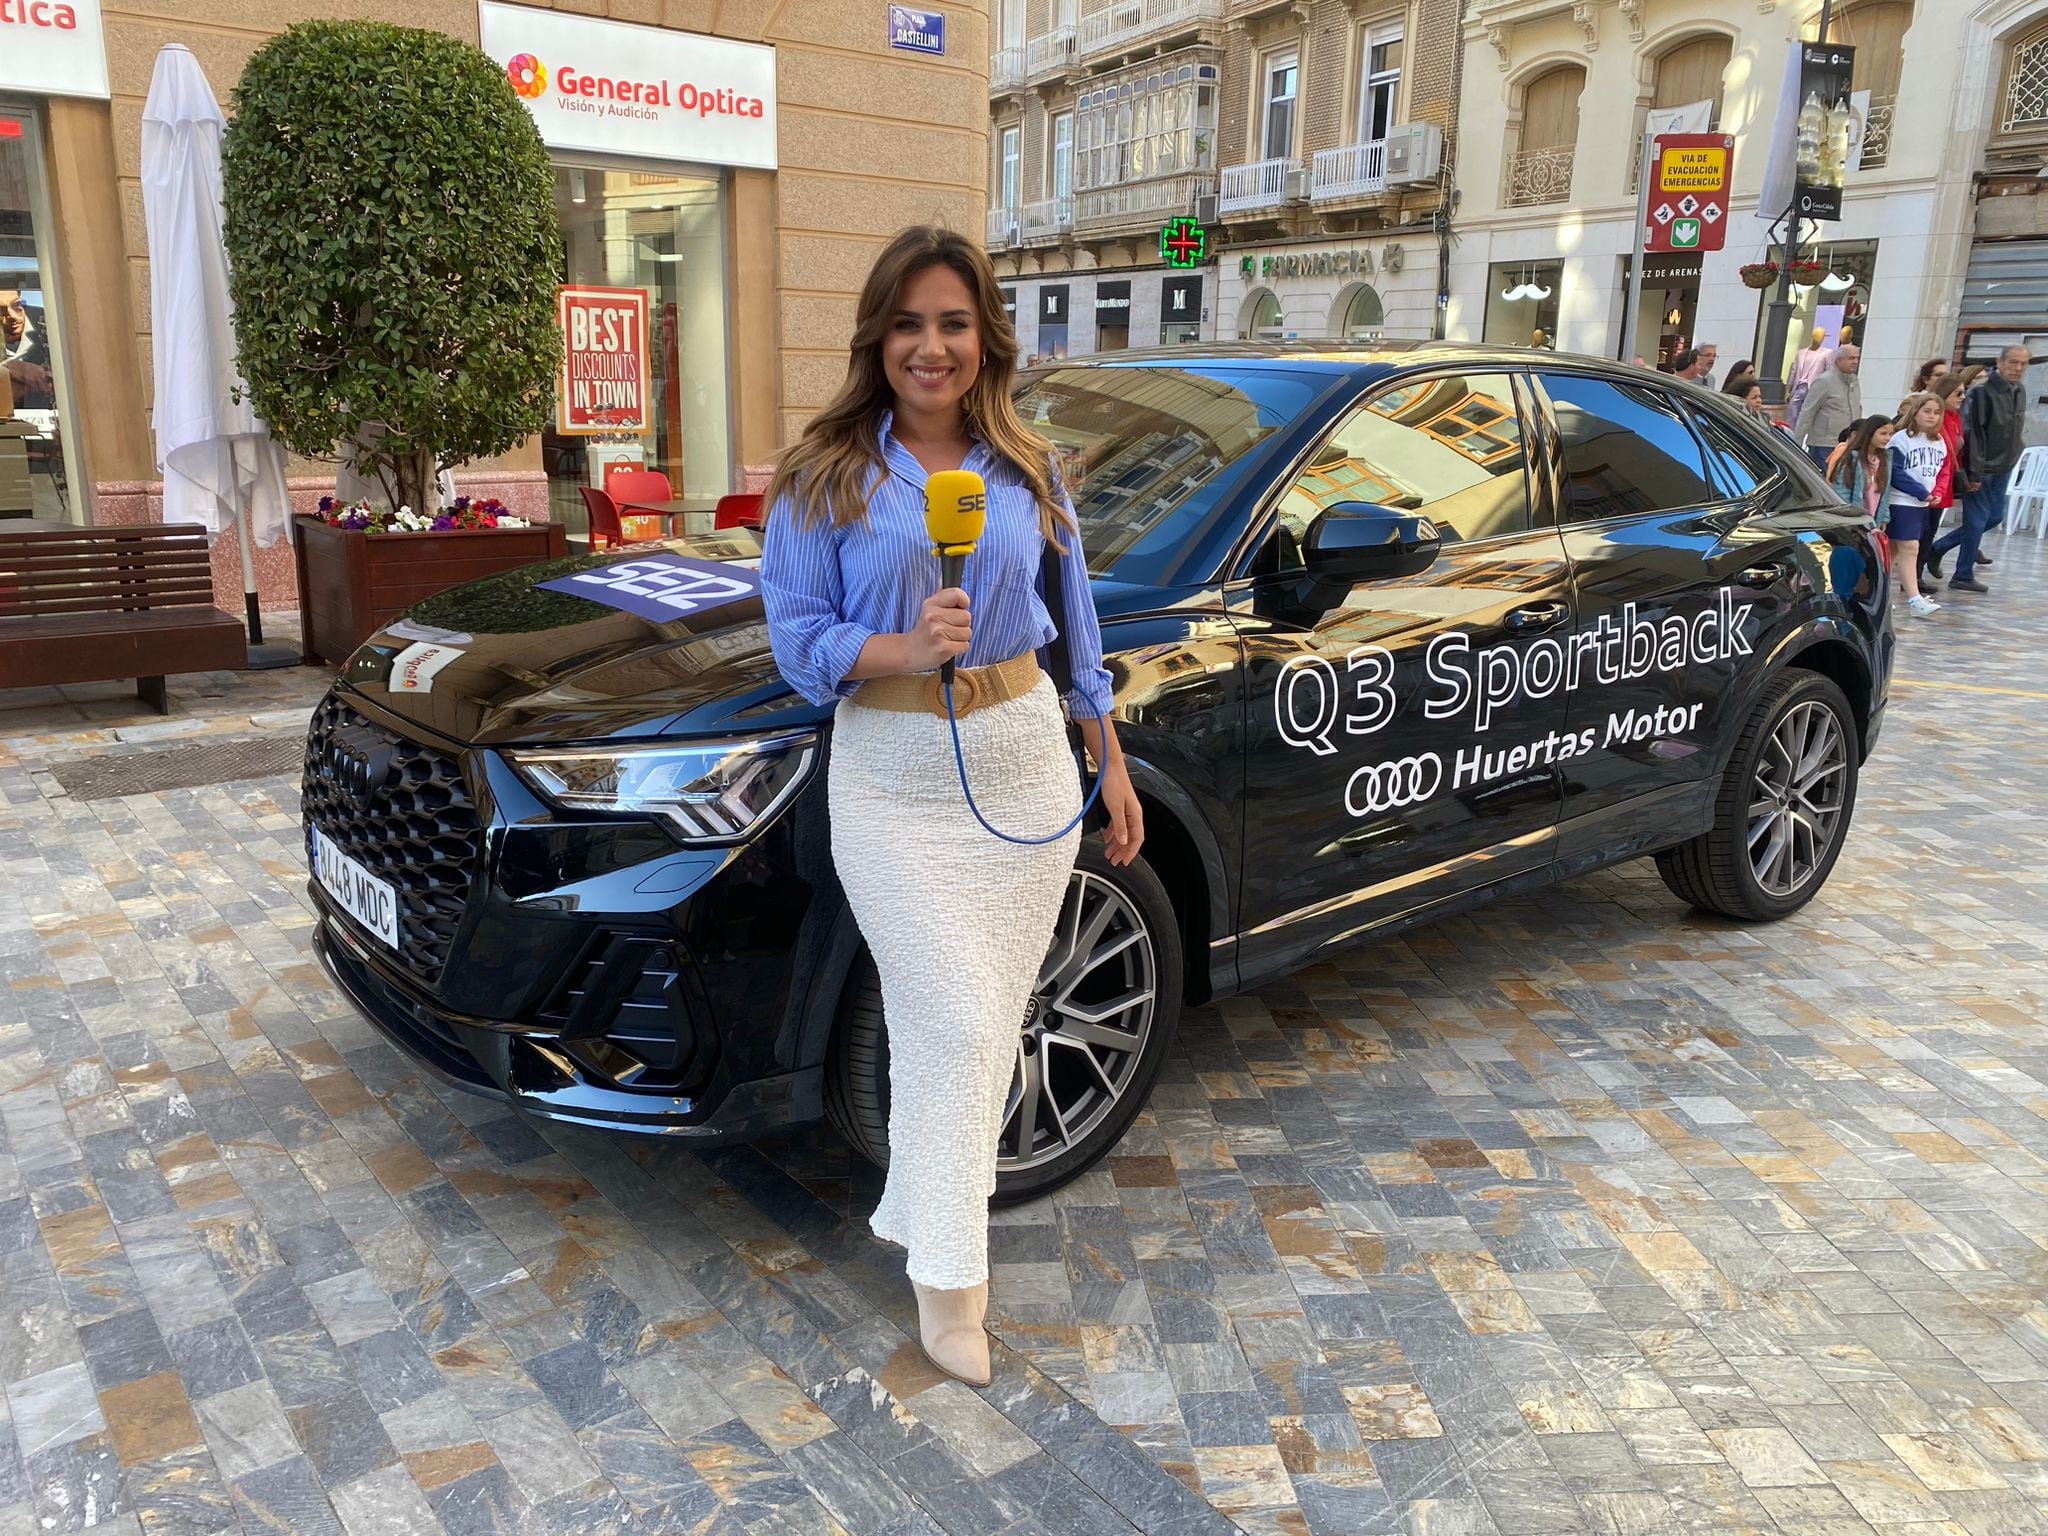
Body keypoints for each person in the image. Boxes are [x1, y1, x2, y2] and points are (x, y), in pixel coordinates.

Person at [758, 225, 1143, 1386]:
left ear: (986, 339)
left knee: (984, 1029)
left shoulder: (1029, 466)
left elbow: (1076, 627)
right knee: (959, 1026)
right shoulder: (822, 475)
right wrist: (895, 642)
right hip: (890, 775)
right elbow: (793, 638)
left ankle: (938, 1235)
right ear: (878, 337)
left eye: (954, 323)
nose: (931, 348)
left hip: (1022, 761)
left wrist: (1108, 757)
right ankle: (951, 1283)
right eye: (909, 324)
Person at [1930, 342, 2030, 593]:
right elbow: (1972, 433)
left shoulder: (2019, 390)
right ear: (2000, 362)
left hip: (2004, 465)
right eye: (2013, 362)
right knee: (1976, 520)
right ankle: (1963, 574)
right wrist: (1974, 471)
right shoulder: (1981, 393)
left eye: (2023, 363)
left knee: (1994, 517)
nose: (2018, 368)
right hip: (1982, 467)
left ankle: (1938, 548)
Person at [1887, 391, 1948, 618]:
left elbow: (1942, 471)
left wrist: (1936, 492)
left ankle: (1876, 594)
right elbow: (1896, 472)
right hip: (1901, 501)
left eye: (1937, 412)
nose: (1932, 416)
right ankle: (1914, 598)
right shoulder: (1901, 439)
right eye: (1927, 411)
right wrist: (1921, 492)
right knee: (1910, 548)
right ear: (1915, 412)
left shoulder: (1940, 441)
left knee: (1892, 552)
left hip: (1922, 504)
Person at [1918, 371, 1968, 586]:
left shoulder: (1955, 418)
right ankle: (1913, 576)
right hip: (1927, 483)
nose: (1962, 397)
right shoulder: (1938, 420)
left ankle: (1917, 574)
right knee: (1920, 533)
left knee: (1929, 531)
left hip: (1942, 484)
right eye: (1958, 393)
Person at [1794, 343, 1862, 471]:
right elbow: (1807, 412)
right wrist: (1796, 444)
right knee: (1825, 483)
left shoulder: (1854, 381)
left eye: (1857, 358)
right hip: (1824, 444)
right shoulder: (1824, 381)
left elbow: (1857, 408)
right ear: (1839, 360)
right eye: (1851, 358)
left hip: (1848, 444)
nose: (1855, 361)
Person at [1827, 415, 1893, 526]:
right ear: (1869, 433)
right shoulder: (1851, 459)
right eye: (1883, 433)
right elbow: (1842, 493)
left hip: (1874, 521)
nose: (1887, 438)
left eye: (1890, 434)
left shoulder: (1885, 460)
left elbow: (1885, 493)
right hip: (1853, 522)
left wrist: (1884, 519)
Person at [1, 288, 55, 412]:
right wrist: (7, 368)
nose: (13, 316)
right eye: (0, 310)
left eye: (16, 305)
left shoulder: (51, 321)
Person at [1787, 327, 1834, 425]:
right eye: (1818, 335)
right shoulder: (1801, 353)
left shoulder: (1827, 353)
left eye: (1822, 336)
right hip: (1798, 387)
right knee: (1793, 414)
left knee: (1808, 416)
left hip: (1814, 389)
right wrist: (1788, 389)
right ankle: (1790, 436)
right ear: (1813, 336)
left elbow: (1829, 372)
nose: (1820, 338)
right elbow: (1794, 371)